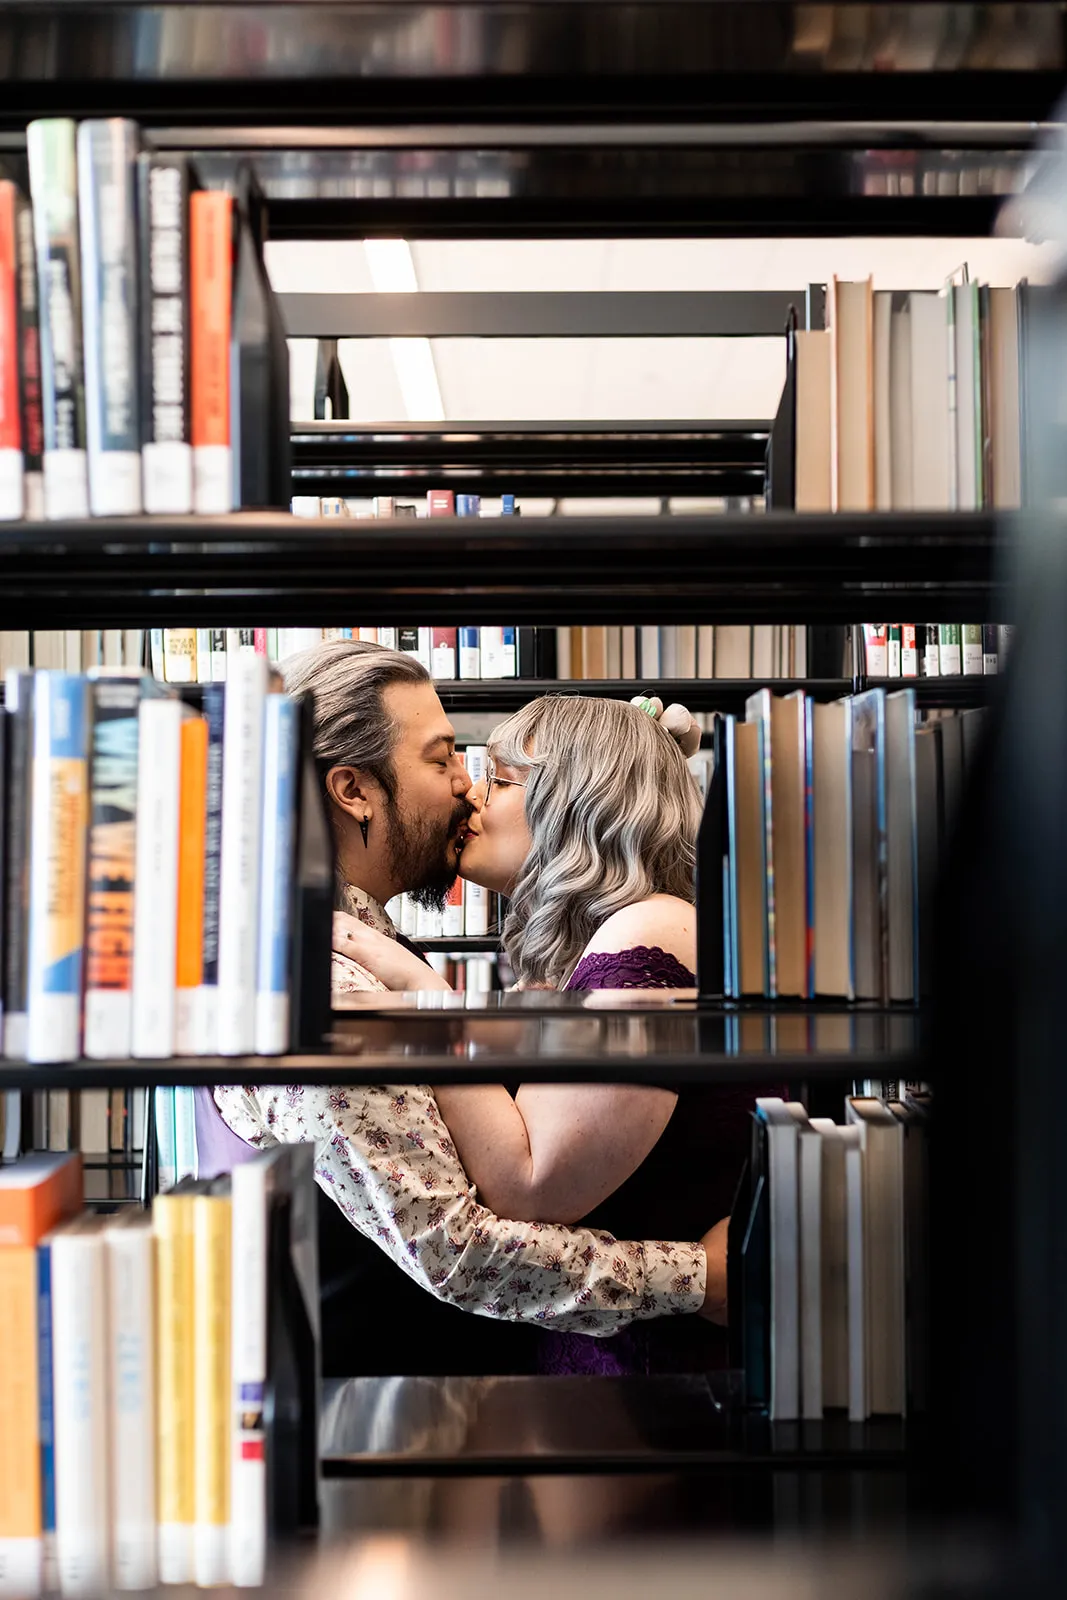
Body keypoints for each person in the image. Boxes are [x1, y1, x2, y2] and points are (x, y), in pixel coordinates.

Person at [194, 640, 728, 1377]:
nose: (464, 790)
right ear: (354, 791)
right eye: (442, 759)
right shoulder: (330, 983)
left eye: (488, 774)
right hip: (365, 1429)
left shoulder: (369, 955)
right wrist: (697, 1277)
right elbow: (456, 1243)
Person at [333, 689, 774, 1375]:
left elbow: (526, 1184)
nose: (471, 797)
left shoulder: (649, 928)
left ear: (577, 801)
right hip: (620, 1363)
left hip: (658, 1381)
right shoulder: (596, 947)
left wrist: (421, 993)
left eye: (501, 779)